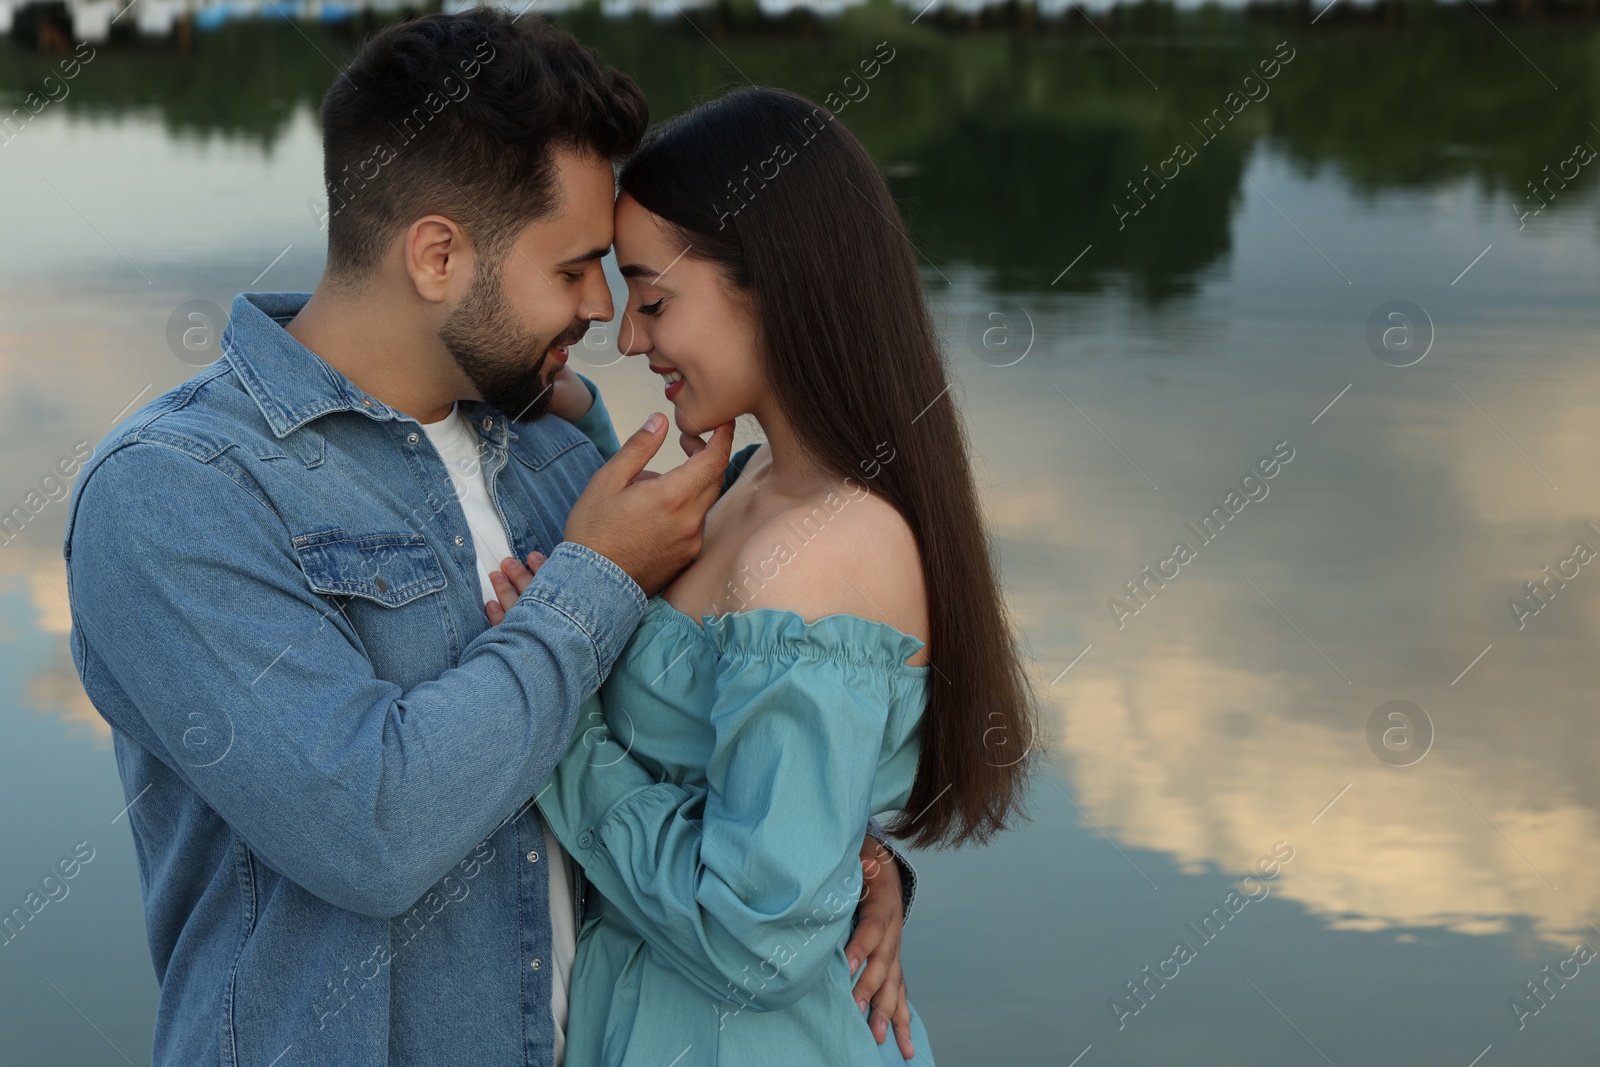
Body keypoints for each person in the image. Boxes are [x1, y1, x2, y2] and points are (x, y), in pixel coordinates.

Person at [61, 13, 912, 1067]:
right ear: (436, 254)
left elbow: (693, 745)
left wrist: (840, 860)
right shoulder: (175, 494)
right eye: (574, 269)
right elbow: (371, 826)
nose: (604, 311)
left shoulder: (559, 453)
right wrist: (592, 580)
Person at [484, 86, 1040, 1065]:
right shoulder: (749, 482)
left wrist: (560, 717)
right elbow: (731, 766)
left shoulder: (823, 550)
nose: (631, 338)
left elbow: (755, 939)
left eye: (654, 300)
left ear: (775, 286)